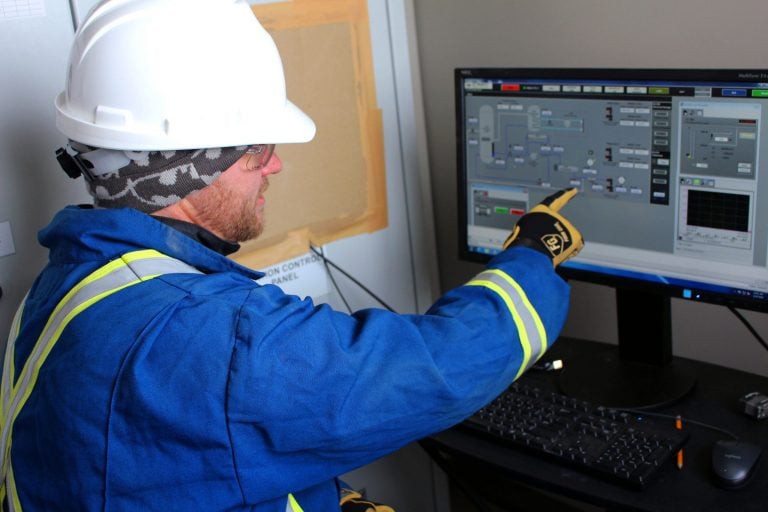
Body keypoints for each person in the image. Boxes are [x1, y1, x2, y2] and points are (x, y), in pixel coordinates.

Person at [1, 0, 584, 510]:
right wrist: (535, 251)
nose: (276, 164)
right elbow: (440, 365)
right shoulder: (210, 336)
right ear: (188, 171)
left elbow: (182, 466)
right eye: (258, 150)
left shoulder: (64, 286)